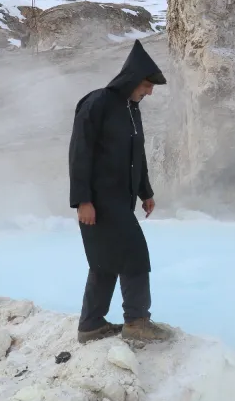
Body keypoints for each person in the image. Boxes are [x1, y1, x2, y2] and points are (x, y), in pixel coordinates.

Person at [69, 40, 173, 344]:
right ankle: (137, 323)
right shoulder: (97, 103)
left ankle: (90, 326)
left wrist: (145, 192)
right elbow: (79, 153)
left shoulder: (131, 109)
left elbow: (136, 155)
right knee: (135, 256)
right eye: (147, 85)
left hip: (120, 201)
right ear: (132, 79)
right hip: (100, 201)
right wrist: (83, 201)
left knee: (105, 262)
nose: (149, 92)